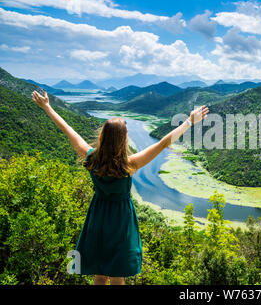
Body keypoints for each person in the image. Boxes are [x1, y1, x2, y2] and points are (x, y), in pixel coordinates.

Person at [31, 89, 209, 285]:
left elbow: (68, 130)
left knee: (100, 272)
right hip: (121, 218)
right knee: (118, 273)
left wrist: (47, 107)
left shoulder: (91, 158)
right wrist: (189, 121)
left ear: (103, 136)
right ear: (123, 140)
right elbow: (164, 142)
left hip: (98, 214)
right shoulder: (129, 165)